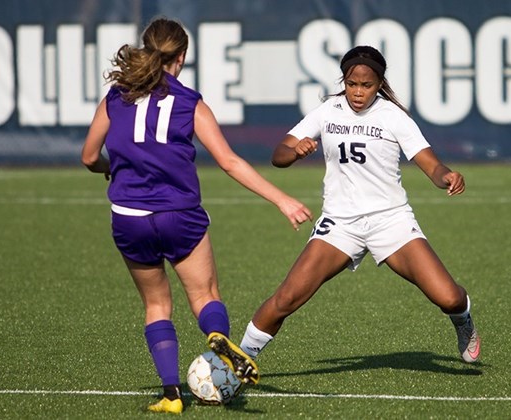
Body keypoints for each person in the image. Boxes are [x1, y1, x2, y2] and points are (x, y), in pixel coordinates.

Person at [81, 17, 312, 414]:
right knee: (204, 296)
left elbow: (87, 157)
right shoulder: (189, 102)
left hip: (129, 216)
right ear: (182, 56)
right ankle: (218, 336)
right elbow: (229, 161)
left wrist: (108, 168)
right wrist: (282, 200)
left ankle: (171, 396)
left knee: (156, 306)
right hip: (179, 215)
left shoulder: (116, 97)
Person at [238, 46, 481, 367]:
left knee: (448, 297)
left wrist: (447, 175)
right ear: (344, 81)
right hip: (340, 224)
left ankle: (463, 319)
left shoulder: (393, 117)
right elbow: (278, 154)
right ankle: (236, 362)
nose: (357, 92)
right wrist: (296, 151)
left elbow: (430, 165)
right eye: (352, 84)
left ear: (379, 83)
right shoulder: (327, 111)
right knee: (286, 298)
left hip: (390, 221)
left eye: (366, 85)